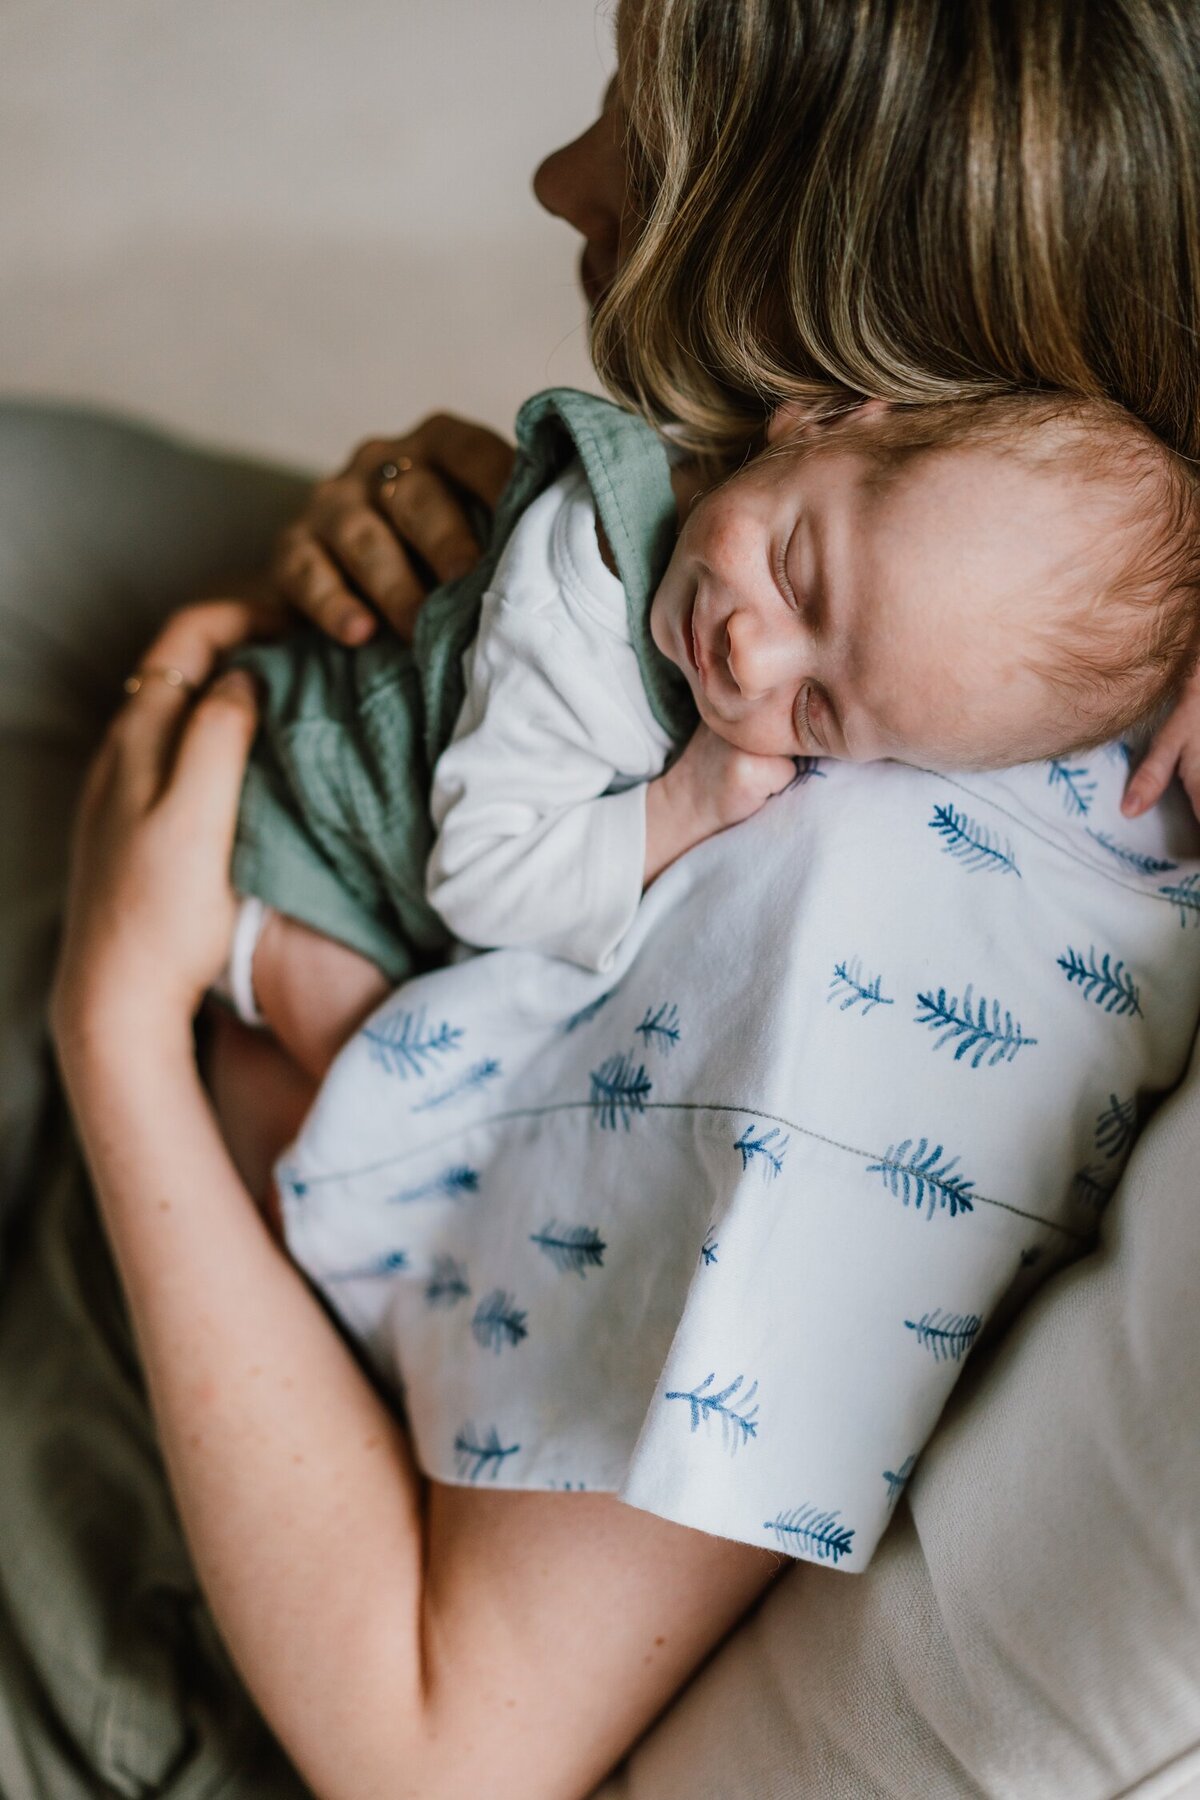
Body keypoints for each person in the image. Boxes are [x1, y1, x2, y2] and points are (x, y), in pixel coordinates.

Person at [3, 1, 1199, 1795]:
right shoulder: (1022, 548)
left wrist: (118, 1013)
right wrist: (454, 601)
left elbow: (439, 1753)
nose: (562, 178)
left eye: (644, 144)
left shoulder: (896, 974)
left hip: (151, 1511)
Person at [228, 387, 1199, 1080]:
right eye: (795, 573)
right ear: (821, 414)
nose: (751, 656)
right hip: (301, 827)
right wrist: (679, 807)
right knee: (339, 1098)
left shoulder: (773, 525)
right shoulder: (573, 617)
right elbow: (479, 879)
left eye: (817, 710)